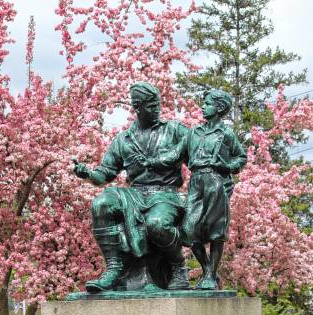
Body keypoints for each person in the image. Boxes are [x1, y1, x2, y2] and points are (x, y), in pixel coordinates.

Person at [74, 82, 189, 292]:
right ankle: (114, 268)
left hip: (165, 194)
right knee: (102, 203)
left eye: (157, 105)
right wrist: (89, 174)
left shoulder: (175, 131)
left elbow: (198, 163)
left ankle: (178, 266)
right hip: (136, 193)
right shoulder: (123, 140)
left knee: (156, 224)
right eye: (151, 106)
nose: (156, 110)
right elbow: (106, 172)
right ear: (137, 107)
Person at [181, 89, 247, 290]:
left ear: (218, 108)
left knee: (216, 229)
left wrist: (227, 166)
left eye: (207, 103)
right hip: (196, 180)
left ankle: (209, 275)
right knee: (188, 229)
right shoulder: (195, 132)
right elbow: (181, 154)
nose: (203, 107)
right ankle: (208, 270)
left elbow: (241, 157)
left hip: (216, 179)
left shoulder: (226, 133)